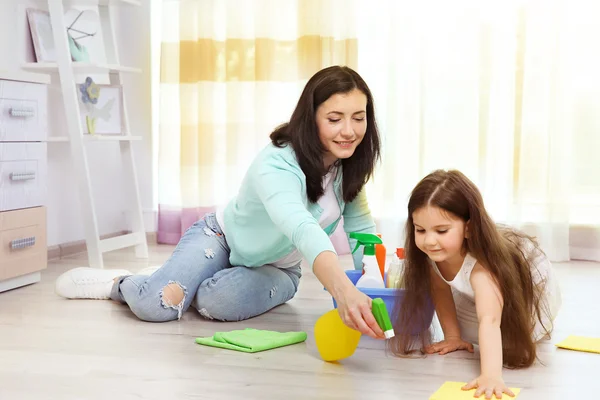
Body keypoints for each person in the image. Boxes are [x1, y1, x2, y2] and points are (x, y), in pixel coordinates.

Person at [55, 65, 385, 339]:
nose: (349, 131)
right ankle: (121, 283)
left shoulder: (349, 168)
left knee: (217, 302)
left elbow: (362, 234)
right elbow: (301, 228)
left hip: (277, 270)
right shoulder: (277, 163)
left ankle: (179, 277)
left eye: (359, 117)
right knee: (158, 305)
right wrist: (342, 291)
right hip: (223, 239)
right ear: (311, 118)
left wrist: (379, 292)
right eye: (335, 118)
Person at [389, 169, 561, 399]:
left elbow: (489, 320)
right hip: (483, 279)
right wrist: (452, 336)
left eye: (441, 230)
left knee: (509, 335)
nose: (429, 241)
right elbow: (440, 289)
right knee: (469, 330)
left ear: (468, 227)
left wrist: (491, 376)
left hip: (533, 281)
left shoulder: (483, 269)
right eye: (420, 230)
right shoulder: (433, 255)